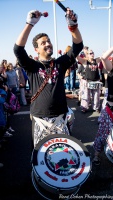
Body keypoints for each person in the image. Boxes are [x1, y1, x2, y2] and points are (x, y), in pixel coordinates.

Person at [13, 8, 83, 147]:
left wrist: (73, 25)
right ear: (36, 50)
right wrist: (29, 24)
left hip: (60, 119)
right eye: (43, 43)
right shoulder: (32, 66)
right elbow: (18, 50)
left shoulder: (60, 63)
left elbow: (77, 46)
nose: (48, 44)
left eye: (48, 41)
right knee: (41, 161)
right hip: (40, 120)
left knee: (65, 157)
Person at [93, 46, 113, 165]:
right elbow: (104, 58)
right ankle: (96, 155)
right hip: (110, 110)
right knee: (103, 133)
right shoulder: (111, 69)